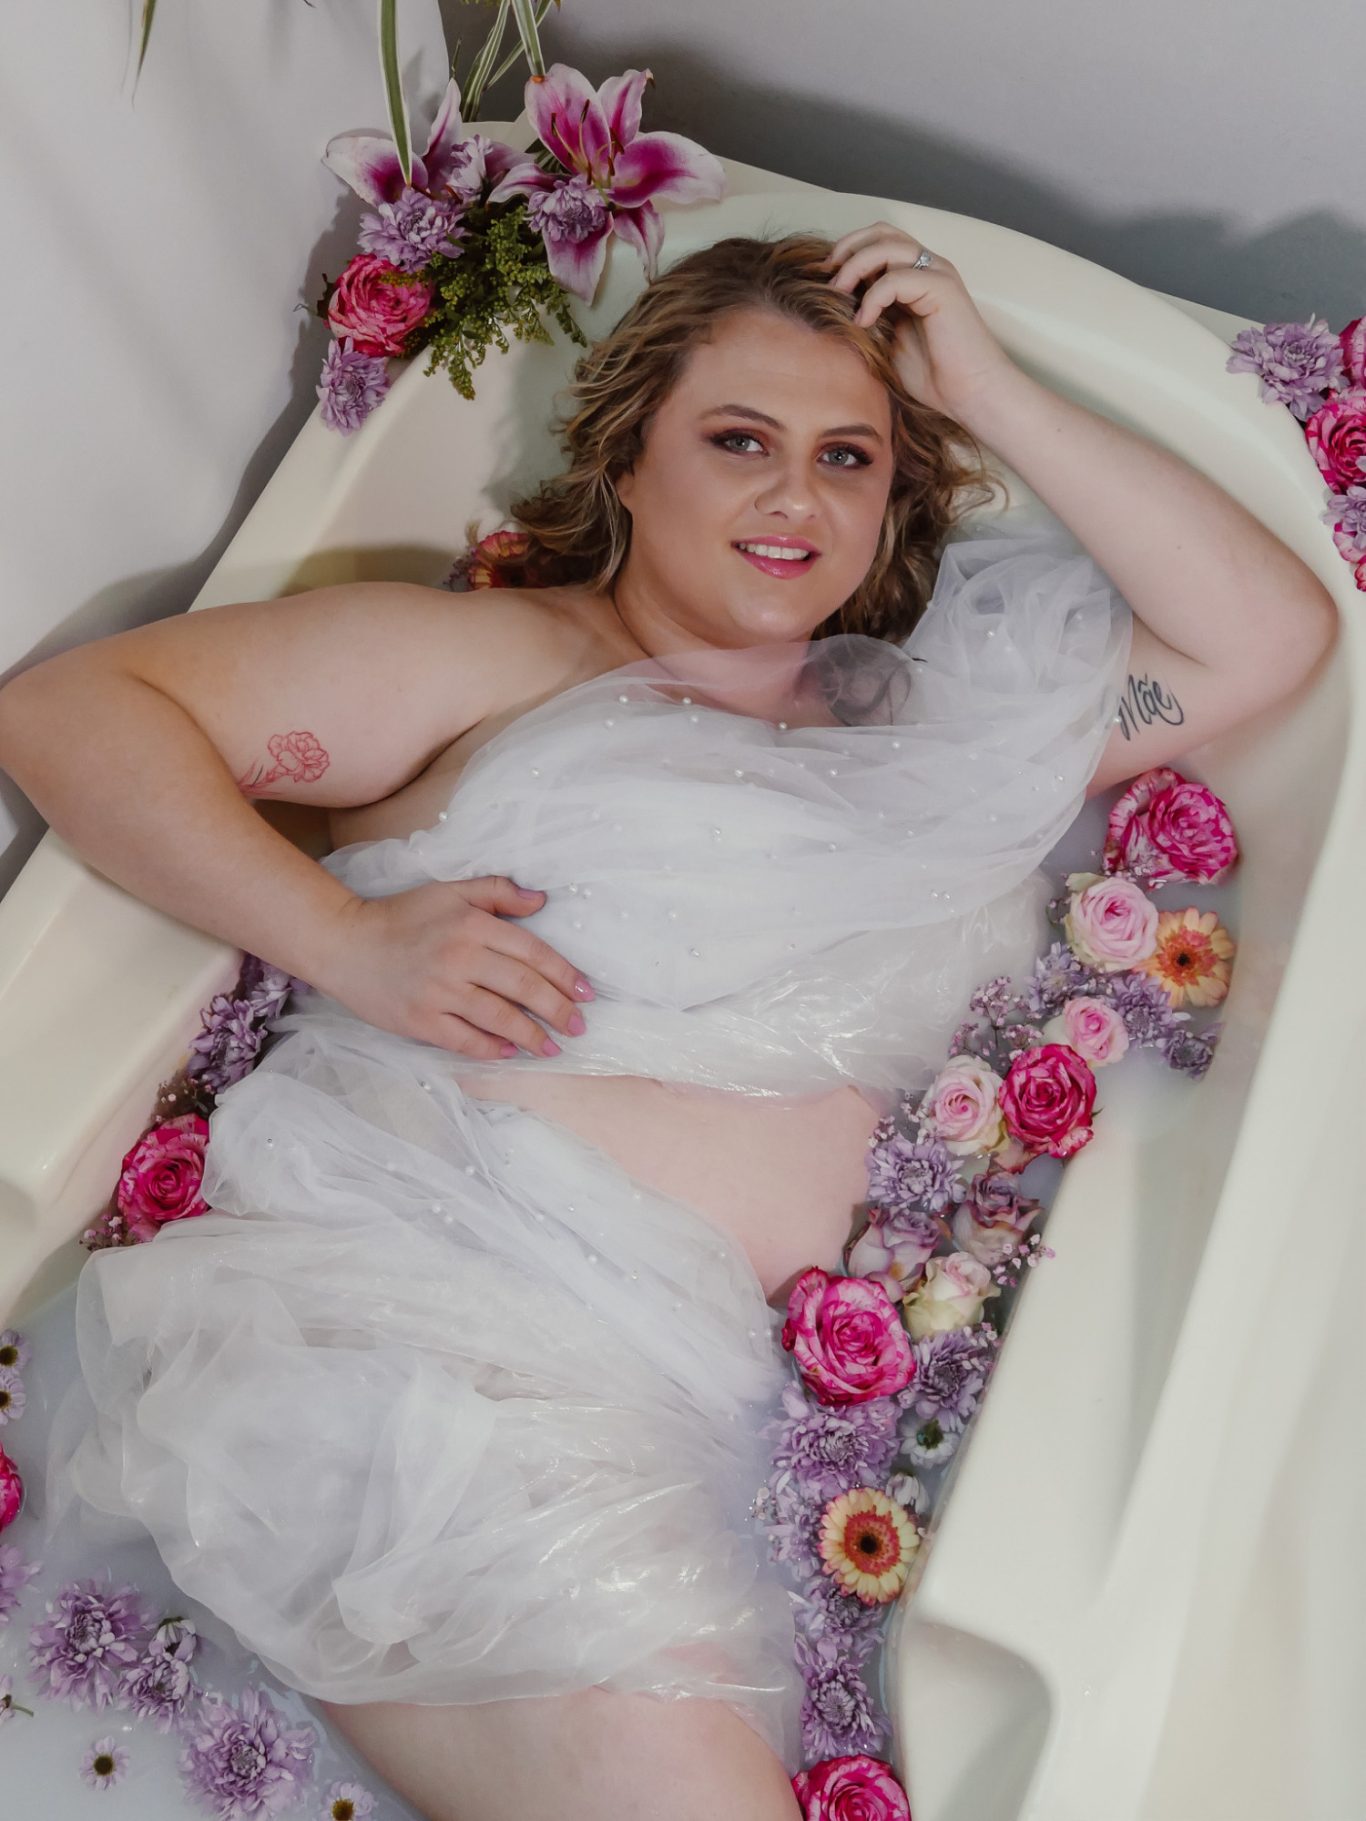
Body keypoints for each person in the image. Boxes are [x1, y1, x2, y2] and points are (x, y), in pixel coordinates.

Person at [0, 223, 1337, 1821]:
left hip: (709, 1419)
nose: (796, 496)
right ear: (628, 459)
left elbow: (1266, 638)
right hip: (433, 1349)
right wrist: (343, 940)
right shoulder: (506, 657)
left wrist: (981, 385)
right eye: (739, 441)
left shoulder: (936, 724)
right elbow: (71, 716)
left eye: (847, 456)